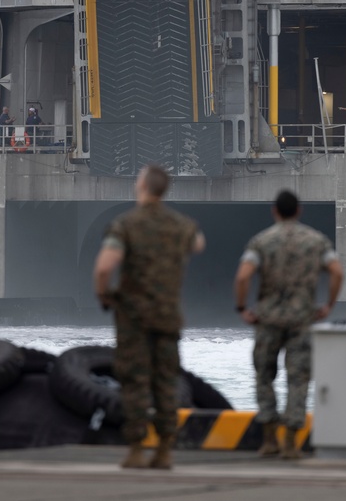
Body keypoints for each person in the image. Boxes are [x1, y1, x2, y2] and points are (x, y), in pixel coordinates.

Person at [92, 164, 205, 470]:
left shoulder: (126, 224)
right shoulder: (181, 226)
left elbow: (105, 267)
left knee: (135, 380)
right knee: (167, 380)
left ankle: (137, 448)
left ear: (141, 186)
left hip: (133, 317)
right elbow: (198, 244)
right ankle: (165, 449)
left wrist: (104, 294)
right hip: (168, 315)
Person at [233, 189, 344, 460]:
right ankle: (292, 444)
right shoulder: (316, 241)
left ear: (274, 211)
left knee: (264, 376)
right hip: (301, 320)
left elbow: (243, 277)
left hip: (268, 319)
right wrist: (327, 305)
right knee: (298, 379)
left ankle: (270, 440)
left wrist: (243, 308)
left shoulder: (262, 242)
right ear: (299, 210)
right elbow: (337, 272)